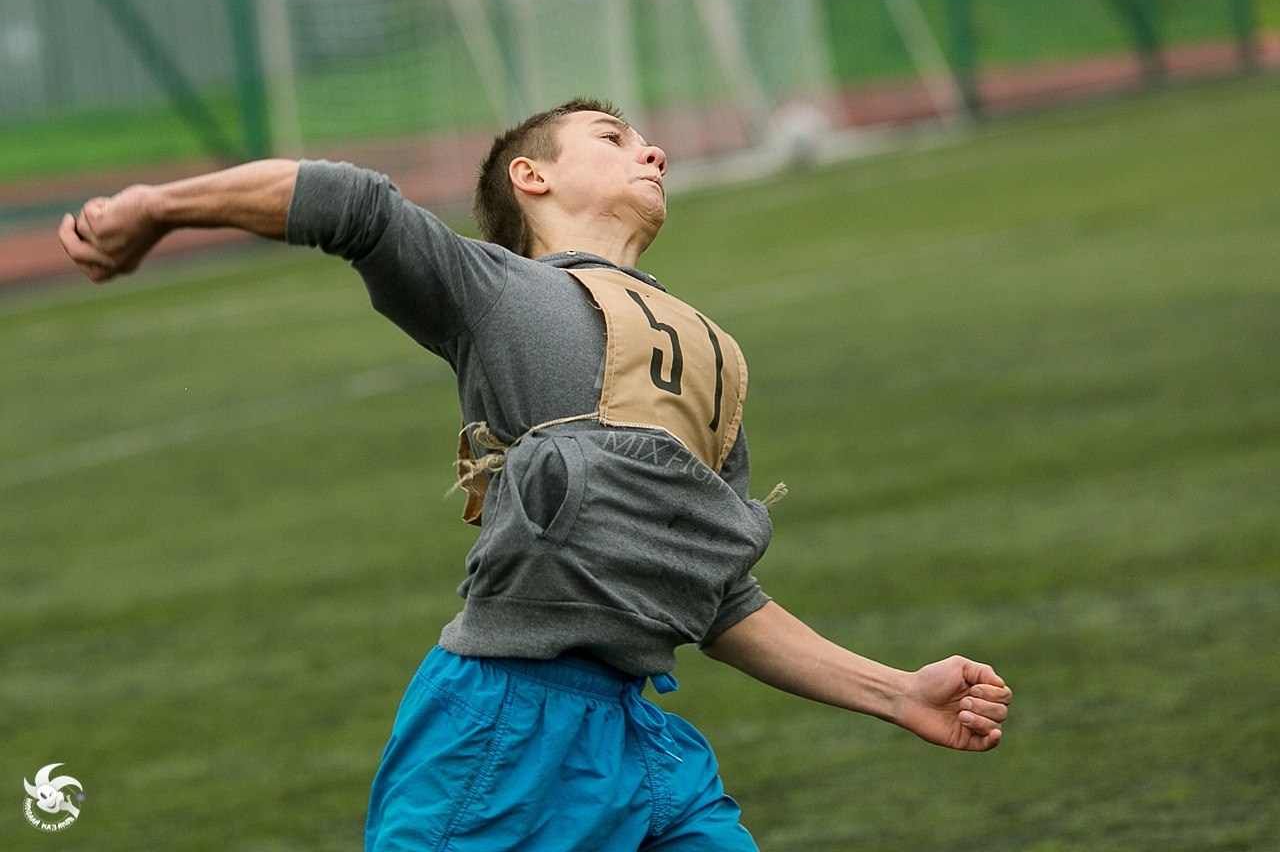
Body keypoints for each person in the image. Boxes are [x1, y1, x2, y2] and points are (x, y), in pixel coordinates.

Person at [59, 98, 1012, 851]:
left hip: (647, 752)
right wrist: (158, 208)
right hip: (504, 732)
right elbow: (349, 202)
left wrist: (895, 692)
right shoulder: (496, 291)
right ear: (533, 177)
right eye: (614, 136)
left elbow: (721, 598)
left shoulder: (712, 355)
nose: (654, 153)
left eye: (648, 142)